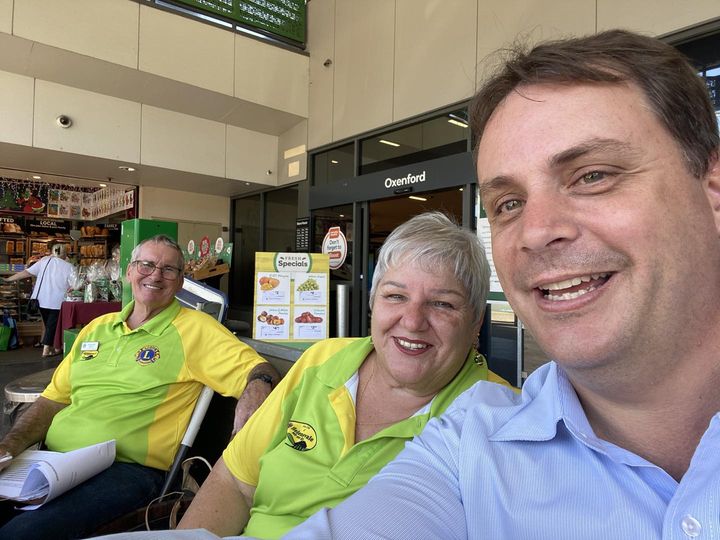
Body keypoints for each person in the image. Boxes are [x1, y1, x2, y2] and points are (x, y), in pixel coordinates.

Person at [272, 30, 720, 539]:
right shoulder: (468, 449)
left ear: (712, 191)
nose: (535, 231)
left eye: (592, 175)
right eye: (508, 203)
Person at [145, 211, 508, 539]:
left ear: (476, 322)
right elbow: (234, 482)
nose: (412, 322)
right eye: (395, 297)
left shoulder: (499, 416)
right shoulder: (324, 358)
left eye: (442, 304)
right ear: (372, 302)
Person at [0, 234, 280, 540]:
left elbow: (259, 370)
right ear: (130, 271)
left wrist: (259, 384)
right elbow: (51, 401)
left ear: (180, 281)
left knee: (21, 534)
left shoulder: (195, 329)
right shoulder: (98, 328)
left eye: (168, 269)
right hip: (52, 463)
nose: (156, 275)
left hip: (129, 471)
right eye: (146, 265)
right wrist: (9, 447)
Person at [2, 243, 73, 356]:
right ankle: (46, 349)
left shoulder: (44, 261)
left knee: (48, 324)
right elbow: (73, 285)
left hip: (40, 300)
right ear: (65, 254)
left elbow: (27, 272)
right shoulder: (69, 266)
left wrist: (9, 279)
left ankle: (56, 348)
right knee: (52, 325)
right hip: (58, 301)